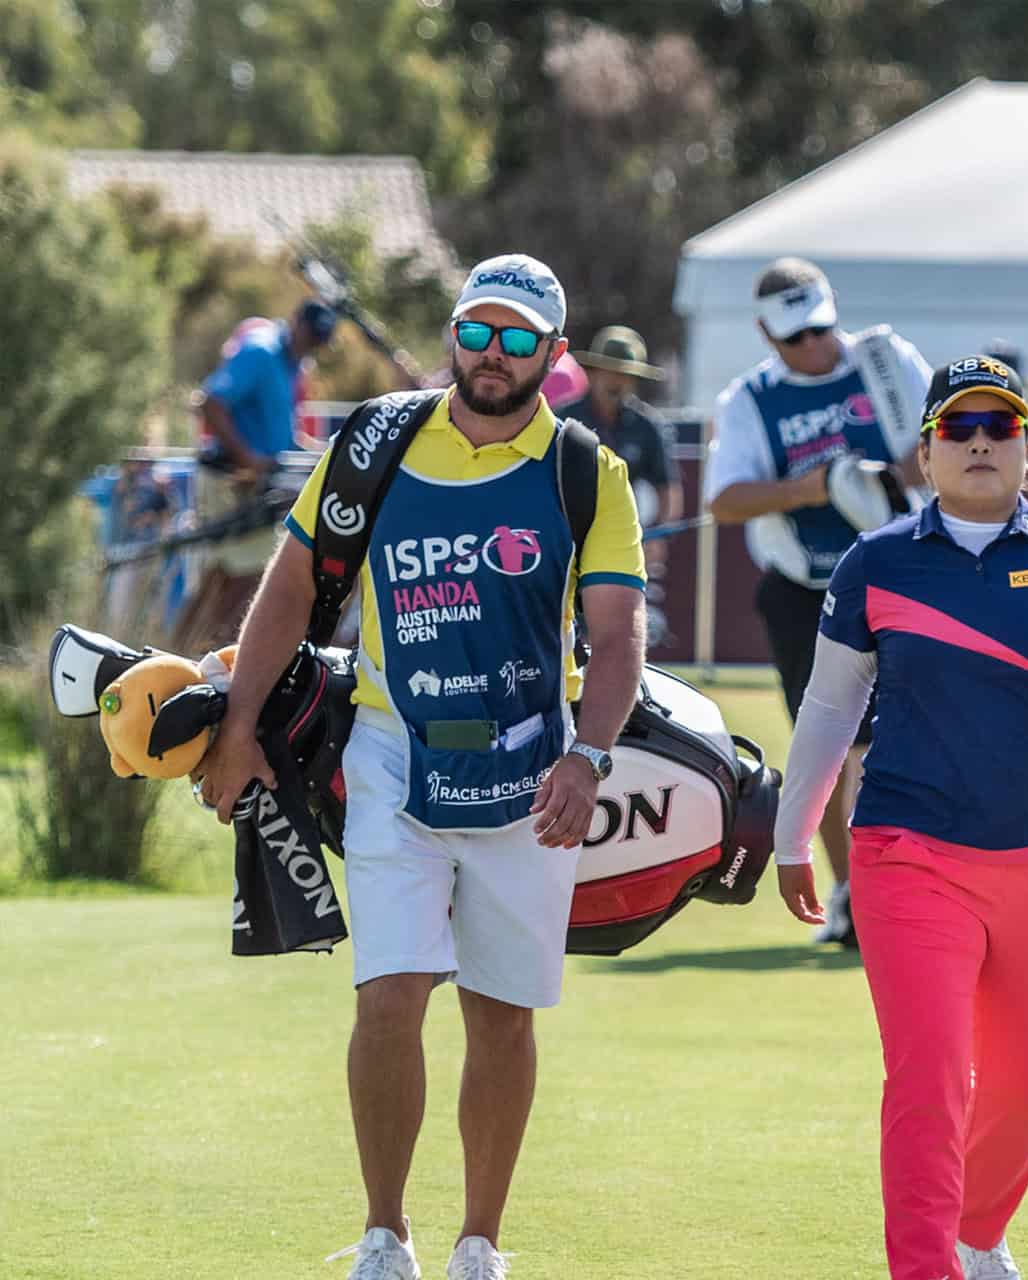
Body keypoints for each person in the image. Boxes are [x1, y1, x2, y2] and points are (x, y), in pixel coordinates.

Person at [192, 253, 647, 1280]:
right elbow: (291, 582)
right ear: (452, 334)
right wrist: (241, 724)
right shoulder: (376, 442)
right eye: (477, 331)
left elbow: (617, 637)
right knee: (388, 990)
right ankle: (384, 1232)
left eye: (519, 336)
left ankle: (479, 1239)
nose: (493, 354)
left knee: (500, 1008)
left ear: (554, 353)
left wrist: (589, 753)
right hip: (393, 750)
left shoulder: (586, 470)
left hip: (531, 764)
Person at [773, 354, 1028, 1279]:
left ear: (1027, 447)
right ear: (926, 450)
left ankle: (975, 1233)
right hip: (907, 857)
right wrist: (794, 834)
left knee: (1024, 1093)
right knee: (931, 1081)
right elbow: (830, 709)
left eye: (1000, 426)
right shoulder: (878, 562)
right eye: (958, 426)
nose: (980, 441)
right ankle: (925, 1267)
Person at [704, 256, 932, 946]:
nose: (815, 346)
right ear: (767, 336)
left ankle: (894, 888)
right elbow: (726, 500)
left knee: (892, 740)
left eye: (821, 330)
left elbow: (941, 444)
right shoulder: (747, 400)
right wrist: (813, 487)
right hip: (803, 591)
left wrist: (880, 480)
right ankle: (847, 894)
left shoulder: (886, 361)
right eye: (796, 337)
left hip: (902, 574)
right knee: (828, 748)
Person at [557, 324, 684, 571]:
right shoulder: (562, 421)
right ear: (593, 373)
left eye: (626, 374)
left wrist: (658, 537)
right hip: (564, 539)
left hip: (622, 540)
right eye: (610, 371)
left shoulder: (649, 427)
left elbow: (668, 491)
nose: (617, 381)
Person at [200, 298, 338, 475]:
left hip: (266, 482)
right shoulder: (260, 352)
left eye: (318, 341)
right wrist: (247, 459)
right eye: (311, 337)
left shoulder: (295, 365)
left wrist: (323, 455)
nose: (312, 346)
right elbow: (211, 403)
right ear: (296, 322)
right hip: (233, 479)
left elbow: (280, 437)